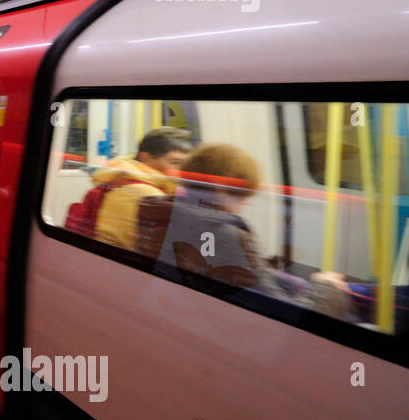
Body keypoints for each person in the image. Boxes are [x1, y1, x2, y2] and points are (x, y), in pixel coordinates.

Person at [150, 142, 352, 317]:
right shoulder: (224, 233)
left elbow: (251, 276)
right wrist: (328, 287)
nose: (246, 203)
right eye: (242, 195)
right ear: (220, 189)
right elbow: (290, 316)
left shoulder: (171, 212)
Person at [91, 126, 193, 251]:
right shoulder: (148, 194)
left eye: (186, 164)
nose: (182, 171)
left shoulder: (121, 179)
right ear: (145, 157)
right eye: (175, 162)